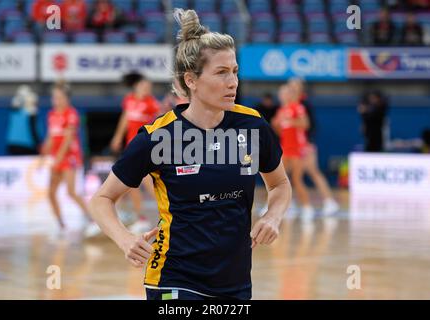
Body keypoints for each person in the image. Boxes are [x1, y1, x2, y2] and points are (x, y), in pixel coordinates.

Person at [89, 8, 291, 300]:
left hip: (235, 282)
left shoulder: (252, 126)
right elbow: (101, 199)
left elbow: (280, 185)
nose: (233, 82)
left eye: (234, 71)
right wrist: (125, 239)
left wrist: (272, 216)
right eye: (221, 73)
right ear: (191, 80)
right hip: (174, 278)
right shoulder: (159, 136)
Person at [109, 72, 160, 234]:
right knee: (132, 186)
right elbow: (125, 119)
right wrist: (117, 137)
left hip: (146, 150)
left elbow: (161, 124)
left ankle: (168, 213)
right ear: (137, 86)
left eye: (149, 86)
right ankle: (141, 218)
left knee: (150, 184)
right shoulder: (129, 100)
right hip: (131, 150)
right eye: (144, 85)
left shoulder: (152, 104)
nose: (147, 88)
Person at [40, 81, 91, 230]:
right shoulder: (51, 114)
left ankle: (92, 218)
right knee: (51, 193)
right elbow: (51, 136)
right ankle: (61, 224)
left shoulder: (71, 114)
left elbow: (68, 140)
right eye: (54, 97)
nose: (55, 101)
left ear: (66, 98)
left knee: (71, 192)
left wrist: (58, 160)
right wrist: (44, 154)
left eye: (59, 97)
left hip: (70, 158)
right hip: (57, 158)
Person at [288, 78, 339, 216]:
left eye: (295, 86)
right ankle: (289, 203)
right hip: (292, 146)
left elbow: (310, 125)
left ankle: (329, 201)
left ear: (301, 89)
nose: (291, 89)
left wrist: (308, 143)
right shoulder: (291, 103)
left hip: (305, 145)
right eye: (290, 86)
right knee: (292, 175)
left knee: (312, 172)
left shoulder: (304, 104)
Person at [272, 84, 314, 220]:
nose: (282, 96)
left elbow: (306, 124)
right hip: (285, 148)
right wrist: (276, 125)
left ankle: (307, 208)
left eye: (285, 93)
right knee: (279, 179)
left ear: (290, 95)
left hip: (298, 148)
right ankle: (286, 206)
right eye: (281, 94)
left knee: (297, 179)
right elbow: (280, 132)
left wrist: (290, 121)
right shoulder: (281, 110)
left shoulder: (297, 107)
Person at [6, 85, 40, 155]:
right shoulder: (31, 113)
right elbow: (33, 130)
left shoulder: (14, 112)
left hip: (12, 145)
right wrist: (38, 145)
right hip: (27, 146)